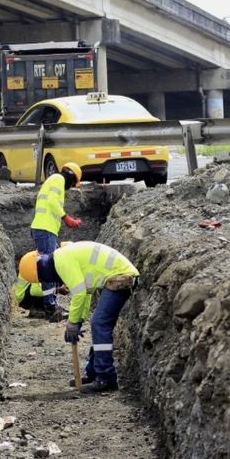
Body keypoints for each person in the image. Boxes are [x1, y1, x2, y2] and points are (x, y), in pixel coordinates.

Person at [18, 242, 139, 393]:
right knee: (98, 325)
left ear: (42, 271)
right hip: (118, 274)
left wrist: (72, 323)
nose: (44, 282)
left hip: (121, 276)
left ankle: (106, 378)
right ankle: (94, 373)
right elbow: (86, 293)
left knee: (99, 325)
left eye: (41, 279)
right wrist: (79, 321)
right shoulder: (62, 257)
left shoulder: (61, 261)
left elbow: (79, 293)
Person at [29, 162, 84, 313]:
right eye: (72, 184)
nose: (71, 187)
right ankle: (50, 305)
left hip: (45, 229)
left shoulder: (53, 180)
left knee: (46, 267)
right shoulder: (58, 179)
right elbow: (52, 201)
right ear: (71, 176)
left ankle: (46, 303)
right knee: (49, 268)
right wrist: (66, 218)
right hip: (45, 229)